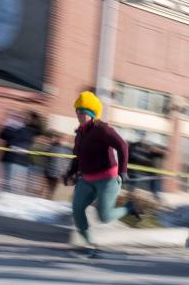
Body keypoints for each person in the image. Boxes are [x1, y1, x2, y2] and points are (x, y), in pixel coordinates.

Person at [62, 91, 141, 252]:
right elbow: (77, 157)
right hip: (86, 179)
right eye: (77, 111)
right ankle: (89, 244)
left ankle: (129, 208)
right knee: (77, 210)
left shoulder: (102, 129)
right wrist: (70, 172)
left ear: (91, 114)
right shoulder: (79, 134)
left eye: (83, 112)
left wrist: (123, 171)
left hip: (107, 180)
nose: (79, 114)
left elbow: (122, 146)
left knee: (103, 216)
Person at [0, 111, 41, 194]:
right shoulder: (19, 129)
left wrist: (34, 115)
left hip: (18, 161)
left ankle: (9, 202)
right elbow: (2, 135)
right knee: (8, 185)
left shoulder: (28, 130)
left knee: (13, 187)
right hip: (12, 160)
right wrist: (7, 125)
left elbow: (38, 129)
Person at [44, 134, 72, 200]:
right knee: (51, 186)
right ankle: (49, 197)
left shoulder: (56, 147)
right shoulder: (57, 147)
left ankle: (49, 197)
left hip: (55, 170)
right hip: (53, 170)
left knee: (51, 186)